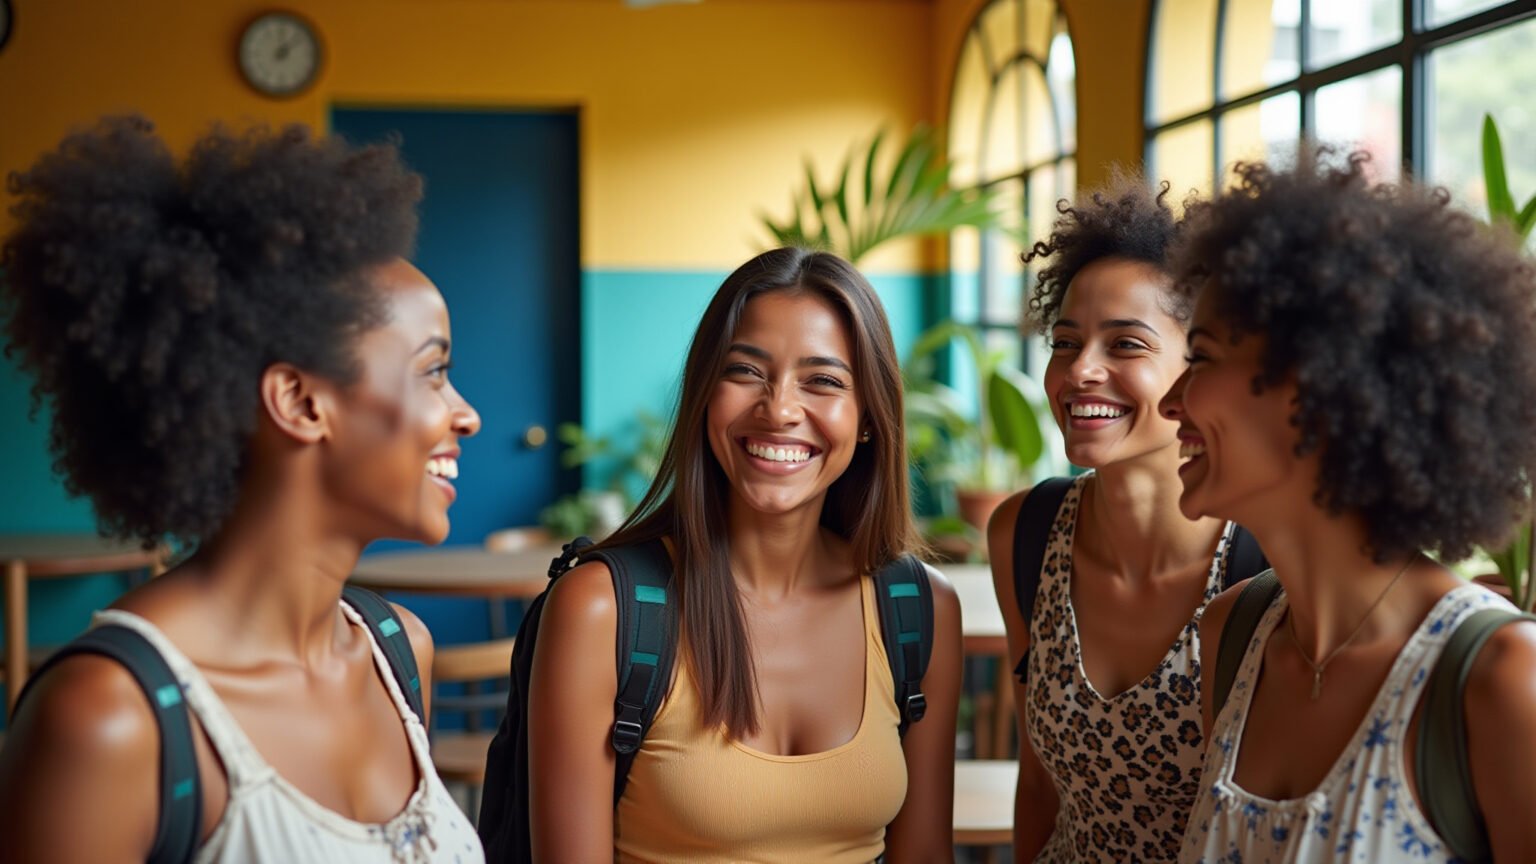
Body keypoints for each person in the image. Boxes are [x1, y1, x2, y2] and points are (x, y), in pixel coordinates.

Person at [0, 116, 485, 864]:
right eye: (432, 371)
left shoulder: (398, 655)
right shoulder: (110, 718)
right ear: (299, 402)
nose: (467, 414)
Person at [526, 247, 962, 863]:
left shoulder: (918, 610)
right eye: (746, 371)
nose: (780, 409)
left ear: (868, 418)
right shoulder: (603, 611)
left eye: (824, 381)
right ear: (706, 394)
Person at [1163, 149, 1536, 862]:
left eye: (1202, 357)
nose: (1169, 402)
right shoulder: (1231, 637)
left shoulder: (1497, 680)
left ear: (1321, 391)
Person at [988, 179, 1262, 862]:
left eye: (1126, 345)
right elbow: (1039, 787)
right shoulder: (1027, 533)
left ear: (1197, 364)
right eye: (1065, 341)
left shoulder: (1265, 563)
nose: (1080, 370)